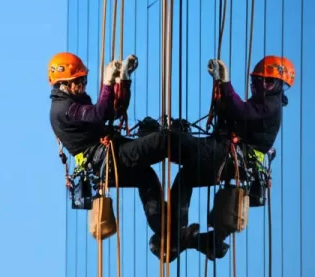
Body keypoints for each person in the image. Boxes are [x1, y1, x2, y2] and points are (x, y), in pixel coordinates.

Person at [48, 52, 197, 260]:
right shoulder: (64, 109)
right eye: (79, 80)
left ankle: (168, 230)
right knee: (163, 141)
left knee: (147, 178)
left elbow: (111, 112)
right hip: (109, 159)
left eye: (84, 79)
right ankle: (203, 155)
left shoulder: (74, 101)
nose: (83, 84)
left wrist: (123, 80)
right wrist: (108, 83)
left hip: (107, 160)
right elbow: (99, 114)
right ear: (65, 84)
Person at [168, 55, 294, 259]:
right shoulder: (264, 104)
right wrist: (221, 94)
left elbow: (242, 111)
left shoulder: (270, 106)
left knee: (175, 144)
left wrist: (224, 84)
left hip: (227, 156)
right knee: (186, 178)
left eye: (269, 82)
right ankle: (186, 235)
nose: (262, 85)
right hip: (227, 158)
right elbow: (237, 113)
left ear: (278, 85)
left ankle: (187, 237)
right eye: (261, 80)